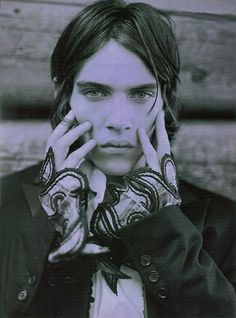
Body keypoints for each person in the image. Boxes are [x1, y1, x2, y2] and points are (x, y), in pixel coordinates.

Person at [0, 0, 235, 317]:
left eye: (141, 93)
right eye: (95, 92)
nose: (119, 120)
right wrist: (47, 221)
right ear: (64, 93)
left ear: (165, 98)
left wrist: (161, 227)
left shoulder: (226, 224)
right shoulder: (4, 205)